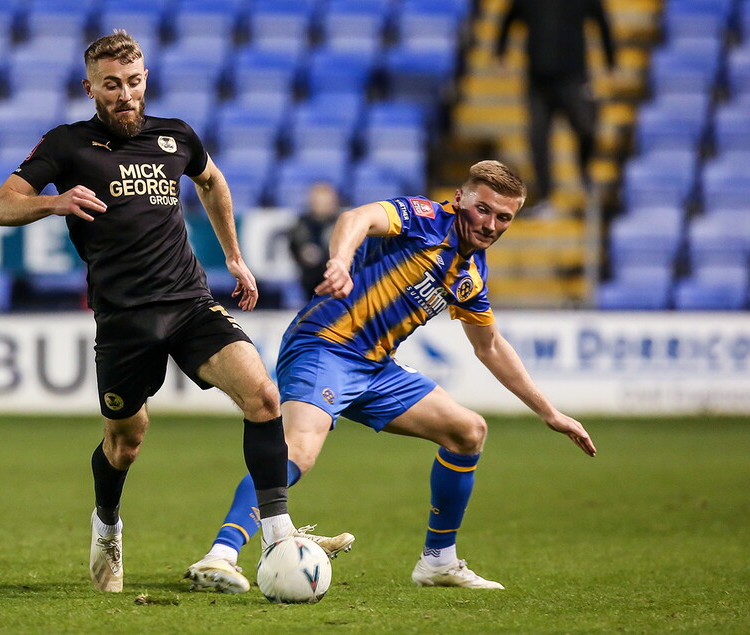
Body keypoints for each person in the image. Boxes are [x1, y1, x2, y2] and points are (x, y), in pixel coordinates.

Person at [0, 31, 345, 594]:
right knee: (125, 442)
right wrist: (54, 201)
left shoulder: (175, 135)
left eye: (133, 82)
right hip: (124, 320)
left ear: (145, 79)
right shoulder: (66, 144)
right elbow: (0, 206)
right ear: (90, 88)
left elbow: (212, 180)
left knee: (263, 396)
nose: (125, 94)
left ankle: (278, 535)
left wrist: (233, 256)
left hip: (188, 303)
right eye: (111, 85)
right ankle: (107, 523)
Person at [186, 160, 596, 592]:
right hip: (325, 345)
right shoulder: (424, 218)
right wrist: (340, 261)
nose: (490, 225)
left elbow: (489, 346)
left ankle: (438, 562)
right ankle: (221, 555)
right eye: (483, 209)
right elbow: (356, 218)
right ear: (460, 199)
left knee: (468, 431)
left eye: (504, 217)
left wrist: (550, 413)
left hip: (377, 367)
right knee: (298, 450)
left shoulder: (471, 274)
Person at [495, 0, 615, 214]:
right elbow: (509, 18)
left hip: (574, 77)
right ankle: (546, 197)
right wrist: (501, 53)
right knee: (538, 138)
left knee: (586, 127)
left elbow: (601, 20)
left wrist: (610, 61)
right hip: (538, 80)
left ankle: (585, 175)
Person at [288, 181, 342, 301]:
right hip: (310, 281)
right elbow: (294, 245)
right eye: (318, 201)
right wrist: (303, 253)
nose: (321, 206)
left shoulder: (341, 222)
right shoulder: (303, 222)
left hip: (336, 280)